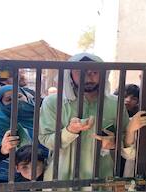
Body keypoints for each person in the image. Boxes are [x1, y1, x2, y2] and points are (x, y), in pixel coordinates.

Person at [38, 53, 134, 182]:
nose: (88, 77)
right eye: (80, 71)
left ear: (103, 75)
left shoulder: (115, 104)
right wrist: (70, 131)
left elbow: (126, 140)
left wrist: (114, 143)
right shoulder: (53, 102)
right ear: (70, 74)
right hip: (61, 178)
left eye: (94, 72)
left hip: (101, 177)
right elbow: (45, 139)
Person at [0, 85, 48, 170]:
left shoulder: (42, 112)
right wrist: (3, 149)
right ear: (1, 104)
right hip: (16, 174)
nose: (16, 101)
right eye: (9, 100)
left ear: (26, 97)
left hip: (47, 165)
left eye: (19, 96)